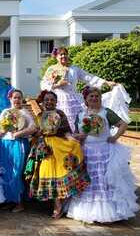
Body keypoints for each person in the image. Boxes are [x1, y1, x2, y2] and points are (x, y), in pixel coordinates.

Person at [66, 86, 140, 223]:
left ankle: (111, 211)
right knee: (89, 180)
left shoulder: (106, 112)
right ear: (86, 99)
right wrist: (79, 136)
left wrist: (115, 137)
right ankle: (89, 211)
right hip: (87, 152)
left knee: (105, 180)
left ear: (100, 98)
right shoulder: (81, 114)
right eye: (91, 97)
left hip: (105, 151)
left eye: (97, 96)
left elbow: (123, 124)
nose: (94, 99)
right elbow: (76, 133)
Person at [24, 90, 90, 219]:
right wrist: (36, 134)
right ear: (43, 102)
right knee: (47, 173)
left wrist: (72, 140)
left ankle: (58, 206)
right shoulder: (39, 116)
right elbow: (36, 132)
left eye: (52, 100)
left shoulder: (60, 114)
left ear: (56, 101)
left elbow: (66, 131)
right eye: (47, 99)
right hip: (44, 148)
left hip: (59, 146)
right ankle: (56, 204)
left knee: (60, 172)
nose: (49, 102)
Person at [40, 46, 117, 131]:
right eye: (60, 54)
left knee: (80, 120)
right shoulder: (51, 69)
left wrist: (106, 82)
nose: (63, 56)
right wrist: (57, 85)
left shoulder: (74, 69)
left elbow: (88, 77)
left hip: (74, 98)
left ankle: (80, 139)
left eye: (65, 54)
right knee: (59, 122)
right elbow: (43, 84)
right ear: (56, 56)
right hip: (58, 99)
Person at [0, 89, 37, 212]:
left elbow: (34, 127)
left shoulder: (24, 112)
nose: (17, 100)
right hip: (4, 144)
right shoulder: (5, 112)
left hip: (19, 144)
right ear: (10, 99)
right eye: (15, 97)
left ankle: (19, 202)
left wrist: (20, 133)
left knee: (16, 172)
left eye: (19, 97)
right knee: (5, 173)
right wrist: (1, 130)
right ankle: (9, 200)